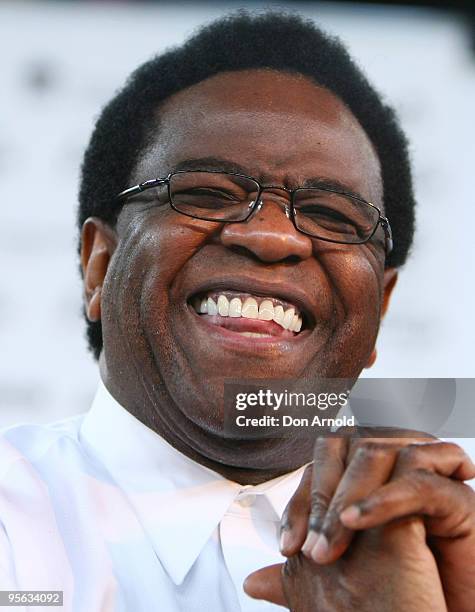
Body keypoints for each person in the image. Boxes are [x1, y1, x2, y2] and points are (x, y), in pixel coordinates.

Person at [1, 11, 474, 612]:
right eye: (206, 192)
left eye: (332, 215)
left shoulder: (455, 554)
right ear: (99, 263)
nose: (274, 238)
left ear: (380, 307)